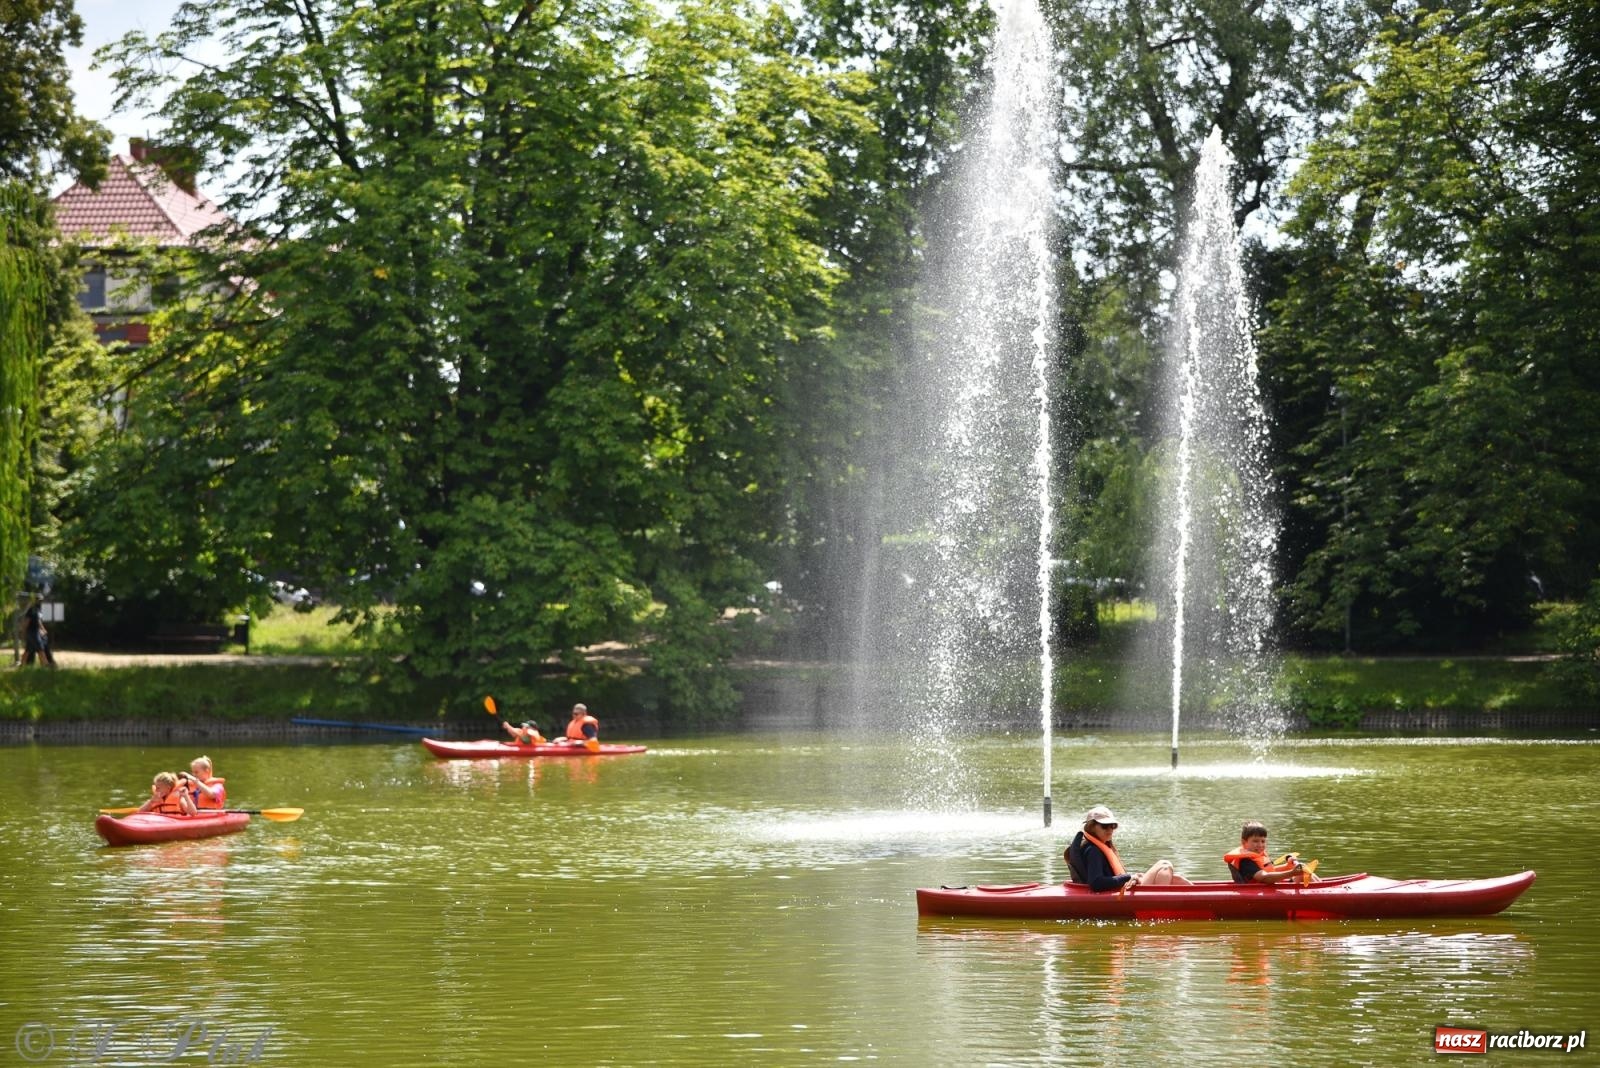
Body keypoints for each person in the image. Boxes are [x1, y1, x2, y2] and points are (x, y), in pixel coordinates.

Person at [1064, 805, 1192, 891]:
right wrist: (1128, 877)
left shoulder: (1098, 847)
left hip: (1122, 888)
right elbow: (1096, 883)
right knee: (1164, 865)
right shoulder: (1093, 850)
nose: (1110, 830)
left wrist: (1133, 877)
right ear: (1091, 827)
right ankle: (1158, 909)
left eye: (1112, 826)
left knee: (1177, 879)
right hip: (1119, 894)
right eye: (1104, 826)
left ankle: (1202, 904)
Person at [1224, 821, 1321, 884]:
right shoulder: (1246, 861)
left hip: (1266, 889)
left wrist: (1288, 866)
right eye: (1255, 841)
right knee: (1303, 873)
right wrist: (1292, 873)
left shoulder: (1258, 856)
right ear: (1244, 842)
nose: (1260, 845)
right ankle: (1322, 892)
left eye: (1263, 841)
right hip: (1259, 892)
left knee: (1304, 869)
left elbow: (1270, 870)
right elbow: (1265, 878)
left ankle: (1322, 888)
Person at [21, 597, 56, 668]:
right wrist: (24, 632)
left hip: (36, 632)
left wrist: (43, 629)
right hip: (32, 632)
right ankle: (46, 665)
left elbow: (39, 622)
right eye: (40, 600)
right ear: (36, 601)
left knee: (27, 650)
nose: (42, 602)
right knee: (40, 649)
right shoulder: (32, 610)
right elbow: (27, 622)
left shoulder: (39, 610)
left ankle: (22, 665)